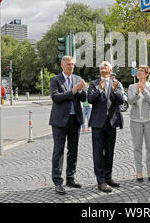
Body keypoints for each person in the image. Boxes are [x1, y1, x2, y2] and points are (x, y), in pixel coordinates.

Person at [49, 56, 87, 195]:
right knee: (58, 151)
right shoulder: (55, 79)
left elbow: (83, 98)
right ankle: (58, 182)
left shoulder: (77, 78)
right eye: (68, 64)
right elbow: (56, 97)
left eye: (72, 64)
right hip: (59, 121)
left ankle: (70, 178)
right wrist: (73, 91)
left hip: (74, 119)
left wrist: (81, 89)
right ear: (62, 65)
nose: (71, 66)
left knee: (73, 150)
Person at [88, 61, 125, 193]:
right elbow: (90, 99)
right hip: (98, 123)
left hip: (111, 123)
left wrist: (115, 90)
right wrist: (100, 88)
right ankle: (101, 181)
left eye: (105, 66)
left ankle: (108, 177)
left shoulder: (116, 83)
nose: (103, 67)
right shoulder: (93, 84)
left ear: (110, 70)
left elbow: (121, 100)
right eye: (101, 66)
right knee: (98, 153)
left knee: (109, 152)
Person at [127, 65, 150, 182]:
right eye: (138, 70)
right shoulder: (131, 86)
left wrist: (143, 90)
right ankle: (139, 172)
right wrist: (136, 93)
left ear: (146, 74)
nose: (138, 72)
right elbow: (130, 101)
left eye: (141, 71)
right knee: (137, 147)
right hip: (135, 121)